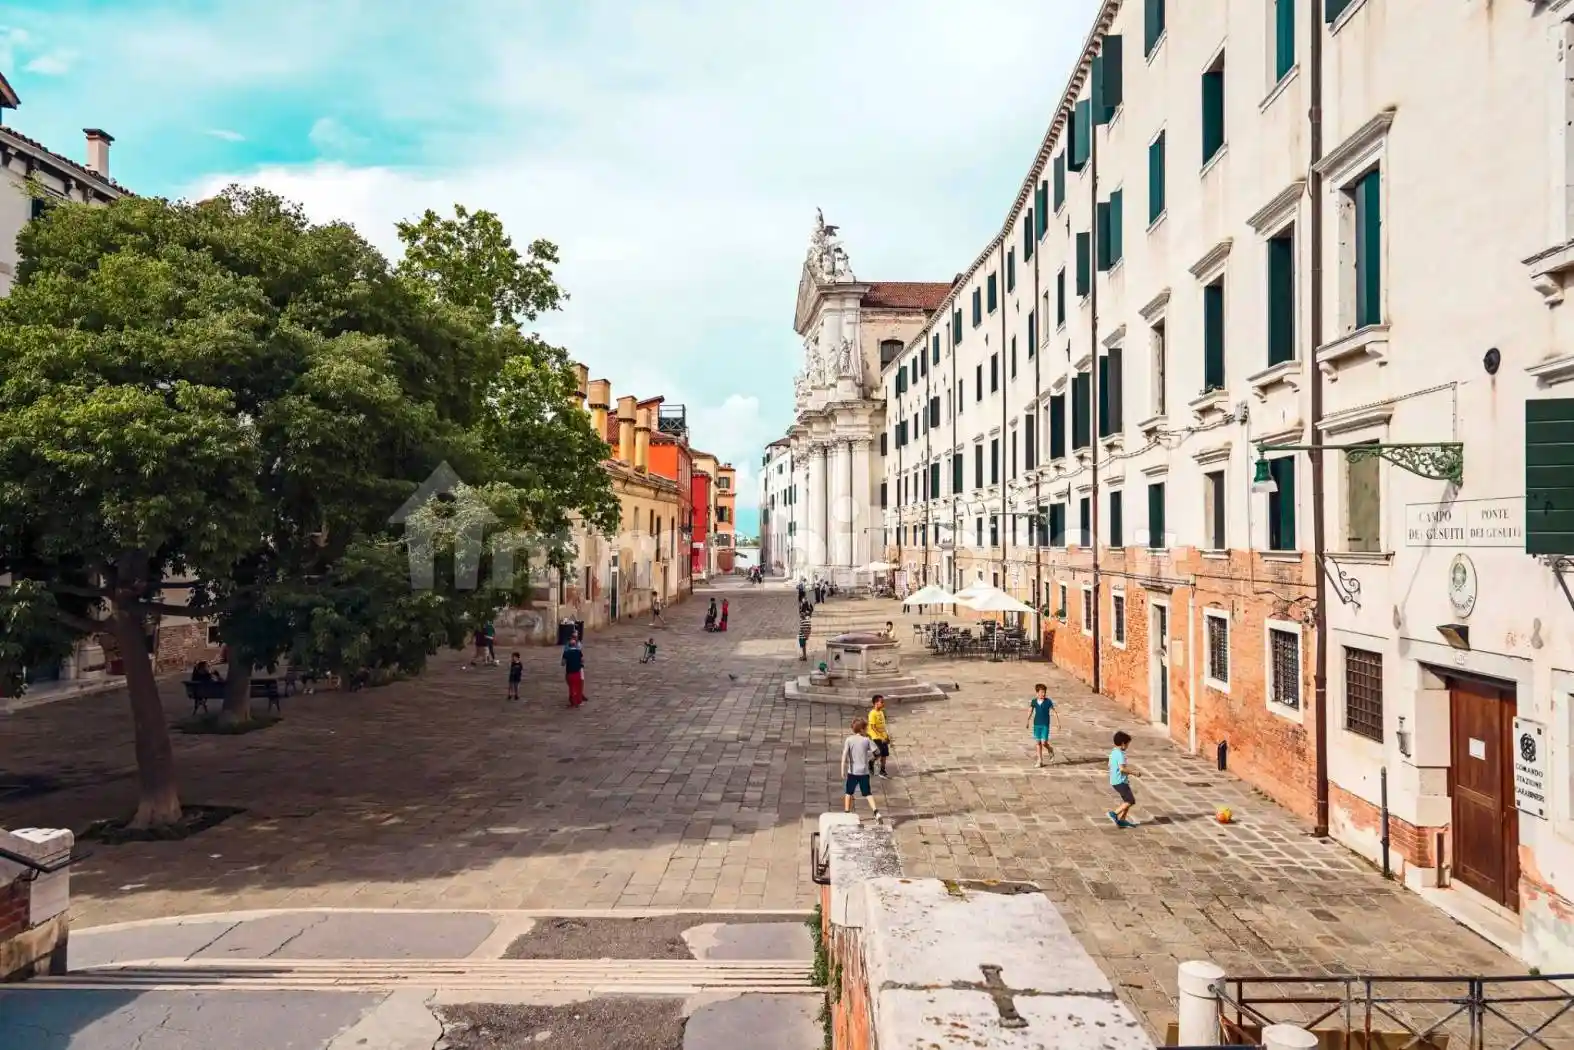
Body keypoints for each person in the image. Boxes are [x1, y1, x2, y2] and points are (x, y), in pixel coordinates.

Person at [841, 718, 881, 821]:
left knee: (848, 792)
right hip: (864, 771)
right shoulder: (867, 740)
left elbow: (844, 755)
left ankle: (847, 812)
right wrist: (872, 760)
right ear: (862, 729)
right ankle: (876, 812)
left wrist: (842, 769)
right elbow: (877, 753)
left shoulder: (849, 740)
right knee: (867, 793)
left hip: (852, 771)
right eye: (866, 728)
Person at [1108, 730, 1139, 828]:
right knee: (1130, 801)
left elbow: (1110, 765)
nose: (1128, 746)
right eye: (1128, 744)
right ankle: (1114, 813)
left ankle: (1122, 820)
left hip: (1115, 780)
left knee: (1127, 801)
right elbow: (1122, 769)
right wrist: (1134, 773)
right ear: (1123, 744)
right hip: (1120, 781)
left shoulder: (1113, 752)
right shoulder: (1120, 754)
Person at [1027, 683, 1056, 767]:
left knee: (1044, 742)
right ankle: (1039, 760)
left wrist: (1058, 722)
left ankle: (1050, 749)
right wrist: (1027, 720)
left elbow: (1054, 711)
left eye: (1044, 692)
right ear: (1037, 693)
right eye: (1042, 692)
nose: (1043, 694)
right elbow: (1030, 710)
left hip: (1045, 724)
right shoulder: (1034, 701)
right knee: (1038, 742)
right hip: (1037, 724)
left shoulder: (1048, 701)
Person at [866, 695, 891, 778]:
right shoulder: (872, 713)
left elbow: (883, 726)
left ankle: (882, 770)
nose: (883, 704)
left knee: (885, 754)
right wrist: (881, 737)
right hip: (875, 737)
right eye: (881, 702)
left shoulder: (881, 712)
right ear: (876, 703)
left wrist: (886, 735)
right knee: (879, 753)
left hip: (883, 737)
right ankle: (871, 762)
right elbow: (873, 727)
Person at [562, 632, 586, 707]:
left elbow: (563, 663)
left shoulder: (567, 651)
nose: (575, 637)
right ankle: (578, 699)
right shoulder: (578, 651)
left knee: (573, 685)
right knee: (576, 684)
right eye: (574, 636)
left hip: (570, 671)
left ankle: (575, 700)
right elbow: (582, 660)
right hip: (577, 670)